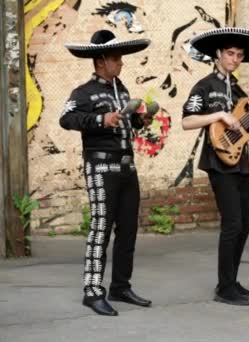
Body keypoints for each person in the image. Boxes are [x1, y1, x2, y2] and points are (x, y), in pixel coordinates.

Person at [182, 27, 249, 306]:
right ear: (218, 54)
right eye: (230, 53)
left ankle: (231, 280)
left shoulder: (239, 90)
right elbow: (187, 121)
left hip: (240, 161)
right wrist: (217, 114)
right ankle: (224, 288)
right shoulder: (204, 86)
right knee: (232, 223)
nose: (235, 59)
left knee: (246, 222)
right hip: (218, 162)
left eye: (239, 55)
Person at [60, 29, 153, 316]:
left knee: (128, 230)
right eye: (116, 58)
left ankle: (121, 287)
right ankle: (92, 291)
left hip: (127, 167)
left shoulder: (122, 89)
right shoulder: (83, 92)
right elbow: (66, 119)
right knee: (101, 228)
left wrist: (141, 119)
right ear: (101, 61)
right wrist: (102, 118)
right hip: (100, 167)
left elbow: (126, 127)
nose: (121, 62)